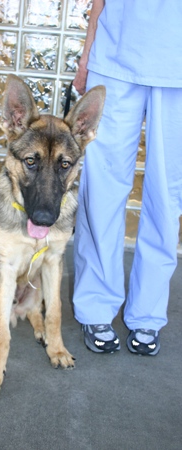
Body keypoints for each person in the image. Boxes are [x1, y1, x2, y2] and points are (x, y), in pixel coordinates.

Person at [72, 0, 182, 355]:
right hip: (115, 54)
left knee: (166, 196)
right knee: (101, 190)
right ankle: (95, 304)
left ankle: (147, 314)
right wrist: (87, 55)